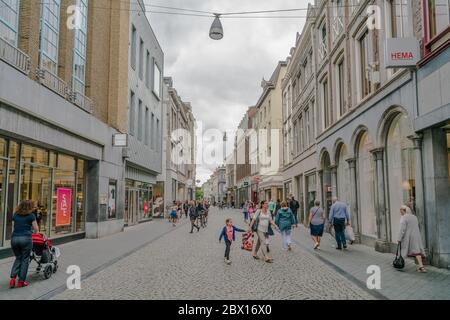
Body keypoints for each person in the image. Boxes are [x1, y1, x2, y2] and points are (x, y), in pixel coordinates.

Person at [9, 200, 39, 288]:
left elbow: (14, 226)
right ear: (30, 207)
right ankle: (21, 281)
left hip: (14, 239)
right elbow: (36, 229)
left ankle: (13, 279)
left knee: (18, 257)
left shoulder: (15, 215)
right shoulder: (31, 216)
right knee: (25, 259)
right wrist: (33, 232)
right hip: (25, 239)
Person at [398, 205, 426, 273]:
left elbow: (402, 229)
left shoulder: (404, 218)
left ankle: (399, 263)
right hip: (416, 236)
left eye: (401, 211)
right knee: (417, 251)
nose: (400, 213)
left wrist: (399, 238)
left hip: (408, 237)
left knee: (403, 250)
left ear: (404, 210)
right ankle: (421, 267)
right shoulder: (414, 217)